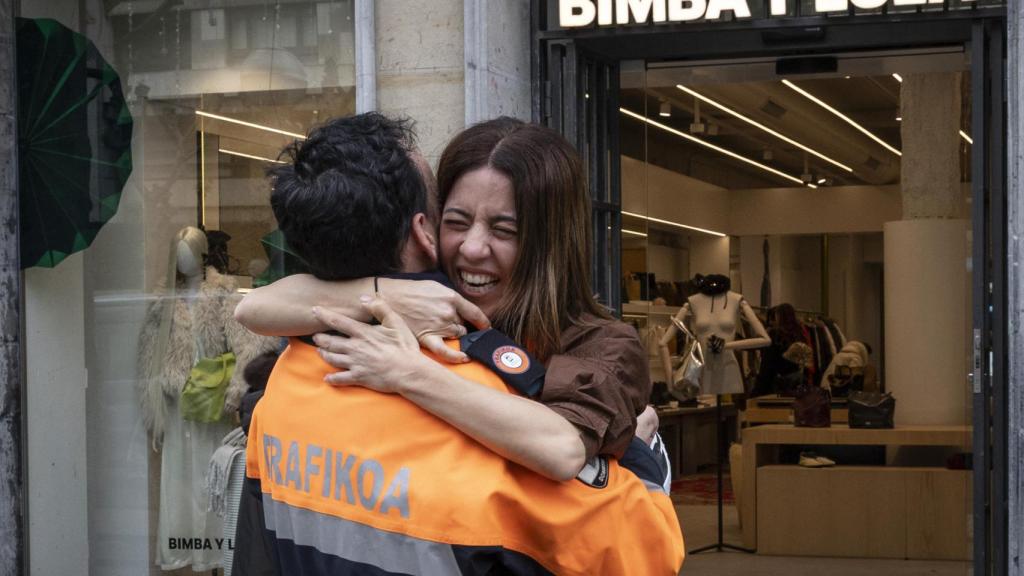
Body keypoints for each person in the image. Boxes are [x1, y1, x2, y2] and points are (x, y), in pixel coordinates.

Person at [234, 112, 684, 574]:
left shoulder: (599, 345)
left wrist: (408, 371)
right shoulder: (405, 313)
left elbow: (562, 450)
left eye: (503, 230)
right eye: (457, 220)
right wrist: (383, 292)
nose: (472, 247)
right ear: (425, 229)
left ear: (549, 242)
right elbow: (252, 309)